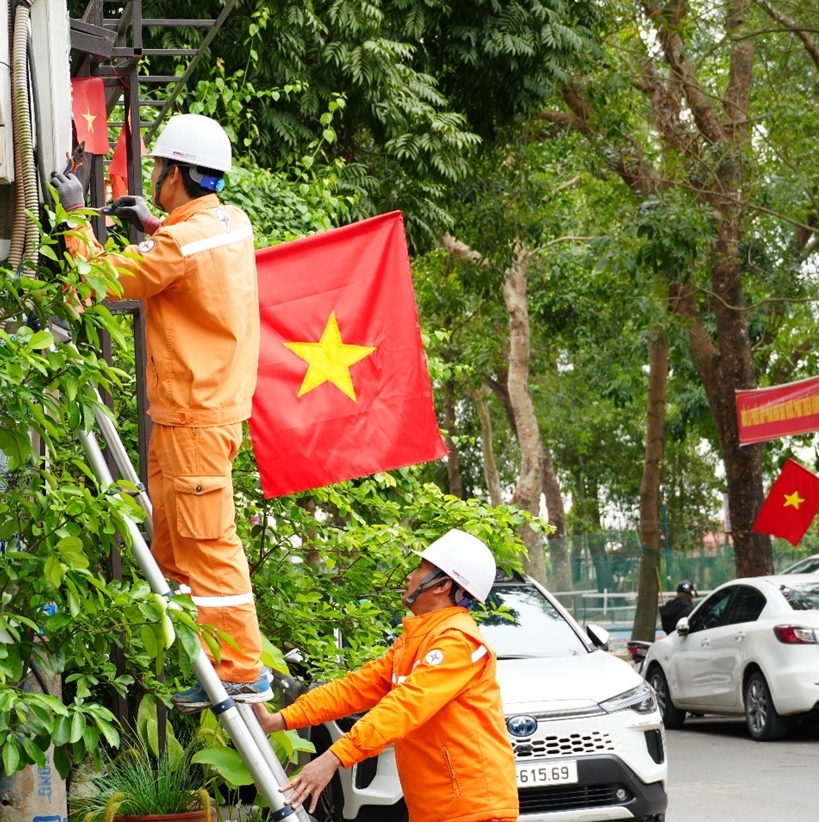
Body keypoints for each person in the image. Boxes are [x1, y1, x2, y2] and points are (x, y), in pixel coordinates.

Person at [50, 114, 267, 712]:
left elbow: (99, 280)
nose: (153, 177)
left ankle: (241, 668)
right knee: (175, 547)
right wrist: (150, 223)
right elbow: (180, 253)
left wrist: (74, 219)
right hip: (196, 414)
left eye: (158, 169)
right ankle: (222, 660)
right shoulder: (228, 222)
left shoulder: (179, 244)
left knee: (205, 545)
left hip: (194, 416)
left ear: (175, 173)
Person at [252, 529, 519, 822]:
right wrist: (279, 720)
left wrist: (332, 758)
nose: (410, 576)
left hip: (473, 809)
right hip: (440, 809)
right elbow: (353, 689)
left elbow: (404, 707)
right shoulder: (416, 642)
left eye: (420, 568)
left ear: (441, 585)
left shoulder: (457, 642)